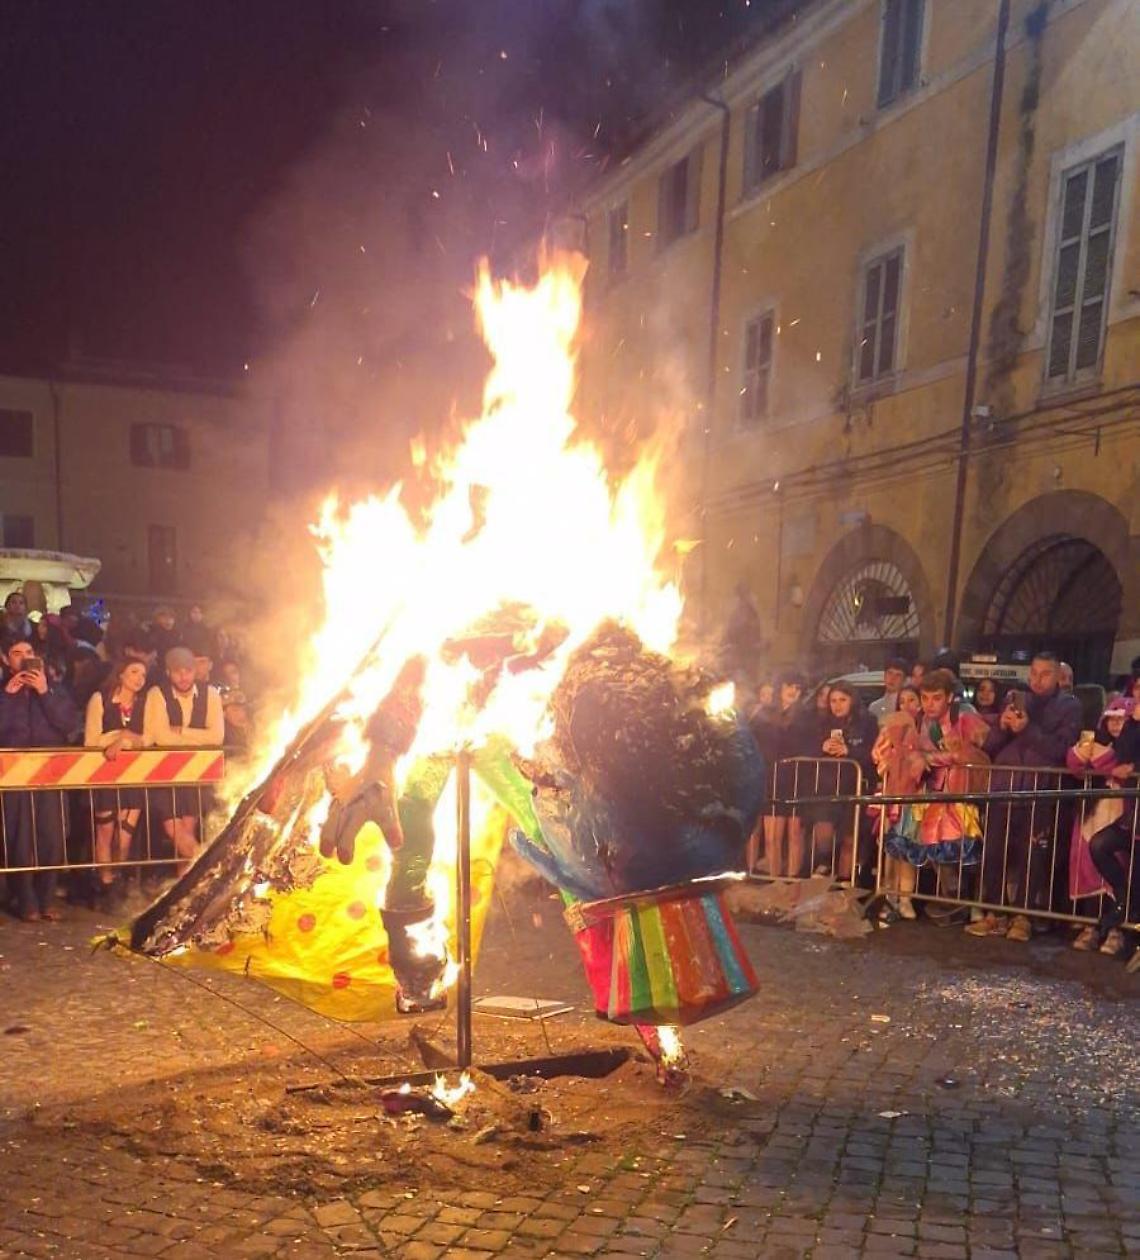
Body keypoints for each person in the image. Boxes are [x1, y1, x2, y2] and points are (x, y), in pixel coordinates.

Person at [969, 651, 1082, 941]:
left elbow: (1061, 750)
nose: (1037, 680)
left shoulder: (1069, 706)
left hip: (1040, 788)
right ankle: (994, 912)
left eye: (1045, 674)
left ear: (1057, 676)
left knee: (1032, 853)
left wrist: (1027, 729)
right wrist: (1004, 727)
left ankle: (1023, 915)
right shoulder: (1015, 699)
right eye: (1033, 673)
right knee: (994, 851)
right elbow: (990, 747)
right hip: (1004, 787)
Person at [0, 632, 81, 920]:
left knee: (52, 838)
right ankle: (26, 901)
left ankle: (47, 899)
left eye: (29, 651)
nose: (24, 657)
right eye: (17, 653)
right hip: (14, 777)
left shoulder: (55, 689)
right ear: (6, 660)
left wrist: (45, 692)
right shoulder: (2, 692)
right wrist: (8, 698)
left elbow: (69, 724)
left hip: (50, 774)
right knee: (18, 840)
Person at [1066, 698, 1139, 956]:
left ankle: (1118, 928)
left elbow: (1117, 764)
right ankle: (1092, 926)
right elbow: (1074, 764)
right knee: (1088, 867)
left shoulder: (1131, 744)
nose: (1117, 724)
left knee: (1118, 867)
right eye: (1112, 718)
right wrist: (1085, 751)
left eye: (1122, 719)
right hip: (1093, 812)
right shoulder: (1096, 740)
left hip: (1124, 812)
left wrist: (1099, 756)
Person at [143, 646, 224, 873]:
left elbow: (216, 737)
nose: (184, 676)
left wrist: (181, 732)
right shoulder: (157, 694)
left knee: (187, 833)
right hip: (164, 773)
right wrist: (198, 737)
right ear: (168, 673)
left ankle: (183, 893)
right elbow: (160, 737)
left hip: (195, 775)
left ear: (195, 671)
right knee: (176, 831)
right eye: (178, 671)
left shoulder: (211, 695)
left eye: (188, 670)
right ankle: (213, 871)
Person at [84, 659, 148, 905]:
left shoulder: (144, 705)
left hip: (133, 776)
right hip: (105, 773)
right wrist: (118, 736)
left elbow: (146, 738)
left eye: (143, 673)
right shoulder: (100, 699)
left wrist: (125, 740)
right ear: (120, 674)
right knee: (105, 831)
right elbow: (91, 741)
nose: (139, 678)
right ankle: (104, 882)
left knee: (124, 836)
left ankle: (117, 879)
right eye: (133, 671)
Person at [809, 681, 878, 882]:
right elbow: (805, 749)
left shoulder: (868, 722)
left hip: (856, 787)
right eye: (833, 700)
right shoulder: (822, 723)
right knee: (823, 831)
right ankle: (825, 862)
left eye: (842, 700)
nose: (837, 705)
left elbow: (873, 754)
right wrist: (822, 746)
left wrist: (850, 751)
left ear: (852, 700)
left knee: (850, 838)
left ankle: (844, 884)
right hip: (827, 787)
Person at [748, 670, 807, 877]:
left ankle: (791, 881)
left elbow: (807, 745)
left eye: (798, 688)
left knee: (793, 835)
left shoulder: (805, 715)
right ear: (779, 687)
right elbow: (752, 740)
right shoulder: (764, 714)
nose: (793, 691)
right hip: (769, 776)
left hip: (795, 779)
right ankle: (772, 880)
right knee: (772, 835)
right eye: (789, 686)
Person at [869, 657, 909, 724]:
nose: (892, 678)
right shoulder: (874, 707)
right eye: (890, 673)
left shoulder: (907, 706)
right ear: (884, 676)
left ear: (904, 680)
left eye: (898, 675)